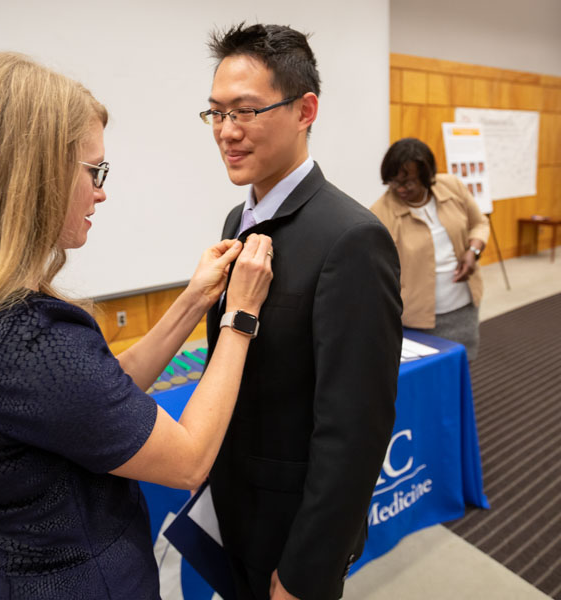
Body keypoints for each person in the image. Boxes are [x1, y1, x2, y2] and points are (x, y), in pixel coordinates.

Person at [0, 52, 273, 600]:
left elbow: (100, 394)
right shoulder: (28, 339)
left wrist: (194, 300)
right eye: (94, 171)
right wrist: (240, 317)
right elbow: (190, 459)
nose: (102, 191)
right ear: (34, 175)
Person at [200, 24, 403, 600]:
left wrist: (306, 570)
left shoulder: (352, 238)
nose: (227, 133)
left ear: (304, 109)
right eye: (215, 113)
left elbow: (356, 430)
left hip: (291, 530)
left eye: (245, 111)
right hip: (232, 504)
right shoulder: (233, 223)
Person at [370, 137, 489, 360]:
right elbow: (377, 273)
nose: (400, 189)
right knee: (428, 376)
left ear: (427, 177)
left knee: (463, 364)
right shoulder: (380, 214)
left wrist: (472, 251)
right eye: (394, 182)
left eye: (409, 183)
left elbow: (479, 223)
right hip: (417, 318)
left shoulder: (452, 187)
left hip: (462, 306)